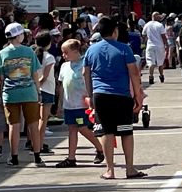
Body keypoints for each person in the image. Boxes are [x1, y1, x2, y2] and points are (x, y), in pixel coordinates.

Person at [82, 17, 146, 180]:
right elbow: (134, 73)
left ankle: (110, 169)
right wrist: (138, 96)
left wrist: (90, 95)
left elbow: (85, 73)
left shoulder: (91, 50)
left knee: (106, 131)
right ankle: (130, 168)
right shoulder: (124, 49)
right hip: (121, 95)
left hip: (100, 95)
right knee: (126, 131)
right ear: (115, 31)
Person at [0, 23, 44, 168]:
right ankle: (37, 156)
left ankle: (14, 156)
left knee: (13, 126)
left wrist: (0, 96)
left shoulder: (2, 54)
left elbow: (0, 78)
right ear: (19, 36)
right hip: (29, 93)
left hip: (10, 94)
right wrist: (39, 92)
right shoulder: (29, 52)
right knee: (33, 124)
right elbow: (35, 74)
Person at [54, 39, 103, 168]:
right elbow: (62, 86)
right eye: (62, 53)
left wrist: (91, 98)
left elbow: (90, 82)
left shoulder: (84, 64)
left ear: (76, 51)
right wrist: (59, 105)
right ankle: (71, 158)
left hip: (81, 104)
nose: (64, 55)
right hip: (69, 104)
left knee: (82, 128)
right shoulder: (64, 66)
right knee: (72, 129)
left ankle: (100, 148)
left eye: (66, 52)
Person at [33, 31, 57, 157]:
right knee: (43, 120)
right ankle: (40, 145)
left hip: (34, 90)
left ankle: (34, 143)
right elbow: (45, 77)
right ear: (48, 43)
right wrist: (38, 85)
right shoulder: (49, 57)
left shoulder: (33, 55)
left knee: (34, 120)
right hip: (46, 90)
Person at [142, 12, 167, 85]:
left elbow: (143, 35)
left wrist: (145, 42)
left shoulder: (147, 25)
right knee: (160, 62)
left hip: (150, 45)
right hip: (159, 46)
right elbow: (163, 36)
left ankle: (151, 76)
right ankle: (161, 76)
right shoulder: (160, 25)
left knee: (150, 62)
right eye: (158, 15)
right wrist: (166, 44)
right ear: (156, 16)